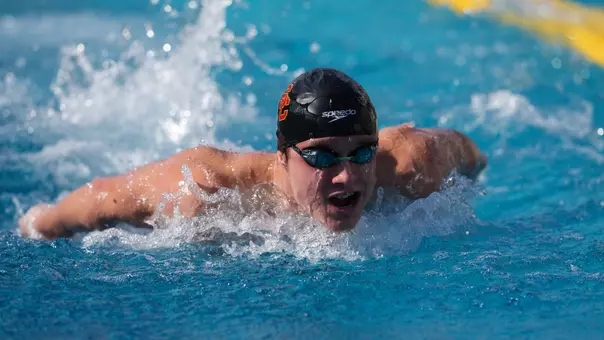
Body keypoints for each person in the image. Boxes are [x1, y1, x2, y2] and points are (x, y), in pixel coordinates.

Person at [19, 68, 487, 239]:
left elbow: (472, 155)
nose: (347, 176)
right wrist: (37, 224)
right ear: (283, 156)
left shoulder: (412, 163)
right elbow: (101, 198)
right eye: (322, 157)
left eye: (361, 153)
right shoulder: (206, 191)